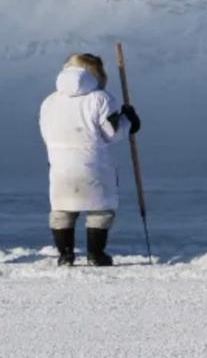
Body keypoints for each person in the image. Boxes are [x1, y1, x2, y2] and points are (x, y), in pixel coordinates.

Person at [39, 53, 141, 266]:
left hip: (60, 165)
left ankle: (65, 255)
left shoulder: (49, 101)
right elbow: (111, 133)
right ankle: (96, 255)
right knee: (99, 209)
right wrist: (128, 121)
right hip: (93, 164)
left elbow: (45, 132)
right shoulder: (100, 99)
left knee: (63, 209)